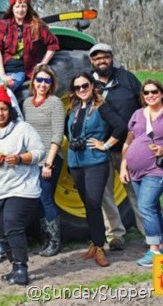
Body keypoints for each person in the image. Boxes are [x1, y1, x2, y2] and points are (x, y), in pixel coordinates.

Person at [0, 86, 45, 285]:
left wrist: (21, 158)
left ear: (10, 110)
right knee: (0, 232)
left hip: (22, 186)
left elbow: (40, 151)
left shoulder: (23, 129)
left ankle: (22, 268)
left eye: (4, 109)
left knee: (12, 225)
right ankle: (14, 266)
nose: (0, 113)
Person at [66, 72, 127, 268]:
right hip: (76, 162)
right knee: (87, 204)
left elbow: (120, 127)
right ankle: (94, 243)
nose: (82, 90)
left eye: (85, 86)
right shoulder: (74, 109)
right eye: (77, 87)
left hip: (95, 162)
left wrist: (106, 145)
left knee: (94, 203)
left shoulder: (101, 107)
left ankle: (100, 247)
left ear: (92, 86)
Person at [89, 43, 144, 249]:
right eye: (97, 58)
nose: (101, 61)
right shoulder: (87, 83)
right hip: (100, 150)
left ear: (112, 58)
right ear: (91, 62)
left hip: (129, 148)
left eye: (105, 57)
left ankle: (150, 234)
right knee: (105, 196)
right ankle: (115, 236)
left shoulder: (127, 78)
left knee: (136, 191)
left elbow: (144, 106)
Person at [22, 65, 65, 257]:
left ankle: (55, 241)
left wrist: (49, 162)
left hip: (50, 159)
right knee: (37, 200)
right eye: (39, 80)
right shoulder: (27, 103)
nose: (42, 84)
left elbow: (57, 134)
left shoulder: (55, 103)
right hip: (33, 160)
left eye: (46, 81)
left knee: (46, 198)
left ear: (51, 84)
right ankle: (45, 238)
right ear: (33, 82)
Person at [120, 79, 163, 267]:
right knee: (152, 208)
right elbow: (128, 141)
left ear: (161, 93)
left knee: (145, 207)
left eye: (154, 91)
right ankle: (160, 245)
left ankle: (154, 251)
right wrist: (123, 165)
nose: (150, 95)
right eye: (146, 93)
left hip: (156, 169)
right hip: (134, 171)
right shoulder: (138, 114)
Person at [0, 0, 59, 92]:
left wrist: (43, 63)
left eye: (23, 6)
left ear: (27, 7)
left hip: (19, 72)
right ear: (12, 8)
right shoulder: (4, 24)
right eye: (17, 6)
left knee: (3, 93)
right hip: (2, 70)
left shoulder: (36, 25)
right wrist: (2, 75)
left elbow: (53, 44)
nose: (20, 10)